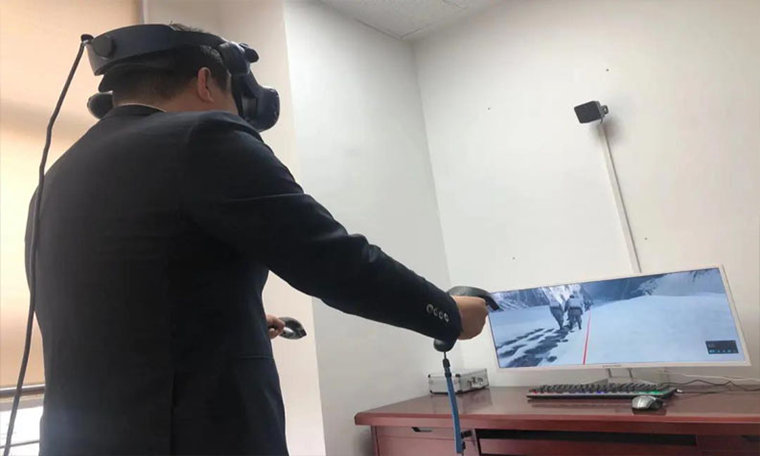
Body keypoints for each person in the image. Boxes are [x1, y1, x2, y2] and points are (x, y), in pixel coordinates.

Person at [26, 24, 488, 456]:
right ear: (206, 82)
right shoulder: (204, 135)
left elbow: (115, 301)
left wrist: (230, 312)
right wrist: (448, 315)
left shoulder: (56, 178)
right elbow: (334, 262)